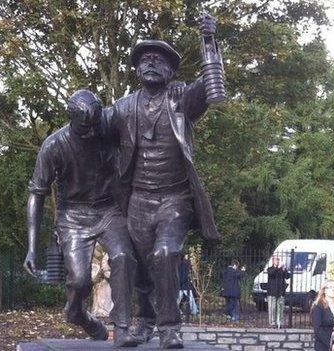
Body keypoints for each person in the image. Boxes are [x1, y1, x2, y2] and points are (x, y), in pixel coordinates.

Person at [100, 14, 222, 349]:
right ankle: (146, 320)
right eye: (145, 59)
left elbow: (213, 88)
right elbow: (92, 133)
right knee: (140, 267)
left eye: (159, 60)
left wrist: (209, 42)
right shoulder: (123, 108)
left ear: (170, 70)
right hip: (137, 199)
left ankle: (169, 327)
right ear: (137, 69)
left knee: (166, 253)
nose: (151, 63)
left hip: (174, 198)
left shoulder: (181, 99)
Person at [23, 90, 138, 347]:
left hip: (108, 209)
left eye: (95, 125)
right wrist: (31, 248)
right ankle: (76, 313)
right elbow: (36, 194)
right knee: (79, 281)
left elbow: (136, 109)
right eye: (85, 127)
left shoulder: (107, 130)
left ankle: (122, 328)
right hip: (72, 215)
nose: (91, 132)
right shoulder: (53, 145)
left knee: (123, 257)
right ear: (72, 119)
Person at [266, 255, 290, 328]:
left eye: (279, 260)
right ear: (273, 261)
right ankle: (272, 323)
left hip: (280, 292)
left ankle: (280, 323)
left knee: (280, 308)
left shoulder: (281, 269)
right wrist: (278, 267)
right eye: (277, 260)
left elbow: (288, 276)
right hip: (272, 292)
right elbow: (271, 273)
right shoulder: (270, 269)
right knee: (272, 309)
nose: (278, 261)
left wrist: (284, 269)